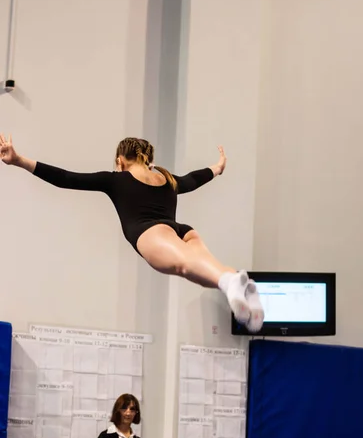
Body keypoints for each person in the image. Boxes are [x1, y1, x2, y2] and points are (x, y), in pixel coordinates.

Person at [0, 134, 264, 333]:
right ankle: (239, 286)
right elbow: (193, 179)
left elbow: (66, 178)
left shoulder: (116, 179)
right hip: (184, 231)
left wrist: (19, 160)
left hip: (152, 232)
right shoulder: (167, 178)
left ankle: (232, 284)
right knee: (205, 270)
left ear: (120, 160)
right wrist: (216, 169)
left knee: (187, 267)